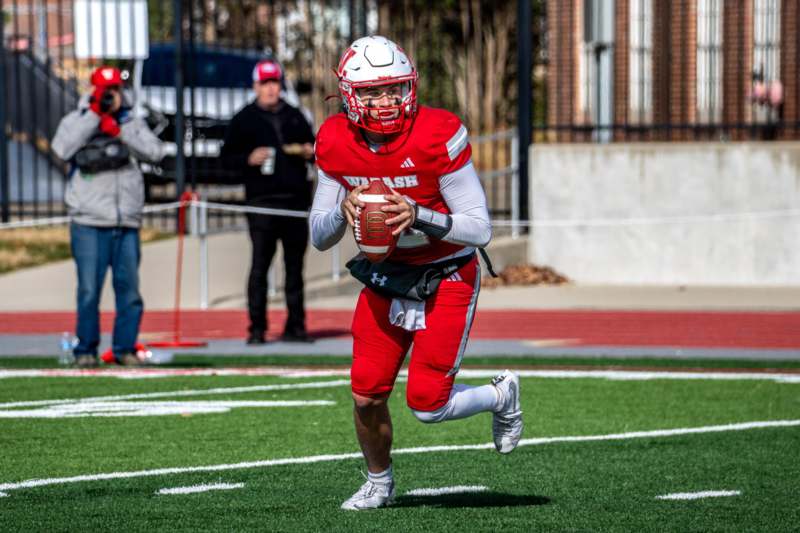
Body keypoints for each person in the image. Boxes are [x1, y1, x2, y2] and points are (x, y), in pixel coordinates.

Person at [309, 36, 523, 510]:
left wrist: (419, 214)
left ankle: (500, 394)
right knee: (365, 395)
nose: (385, 102)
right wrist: (343, 211)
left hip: (446, 273)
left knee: (428, 406)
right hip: (388, 279)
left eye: (394, 89)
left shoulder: (436, 132)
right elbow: (319, 235)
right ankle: (378, 482)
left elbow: (481, 228)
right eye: (371, 93)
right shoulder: (335, 139)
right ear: (348, 95)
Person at [51, 66, 165, 368]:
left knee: (129, 291)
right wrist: (94, 117)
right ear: (93, 91)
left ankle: (124, 348)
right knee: (89, 291)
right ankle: (85, 349)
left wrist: (120, 130)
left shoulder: (131, 120)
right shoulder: (76, 120)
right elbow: (62, 148)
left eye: (114, 89)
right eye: (105, 90)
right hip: (89, 221)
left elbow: (156, 152)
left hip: (125, 220)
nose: (110, 95)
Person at [221, 59, 315, 344]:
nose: (271, 89)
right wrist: (248, 159)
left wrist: (307, 151)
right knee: (260, 265)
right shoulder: (244, 118)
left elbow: (314, 149)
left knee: (295, 267)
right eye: (265, 84)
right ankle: (257, 327)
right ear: (256, 87)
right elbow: (225, 160)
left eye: (275, 83)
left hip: (295, 201)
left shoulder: (295, 115)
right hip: (262, 202)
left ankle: (296, 326)